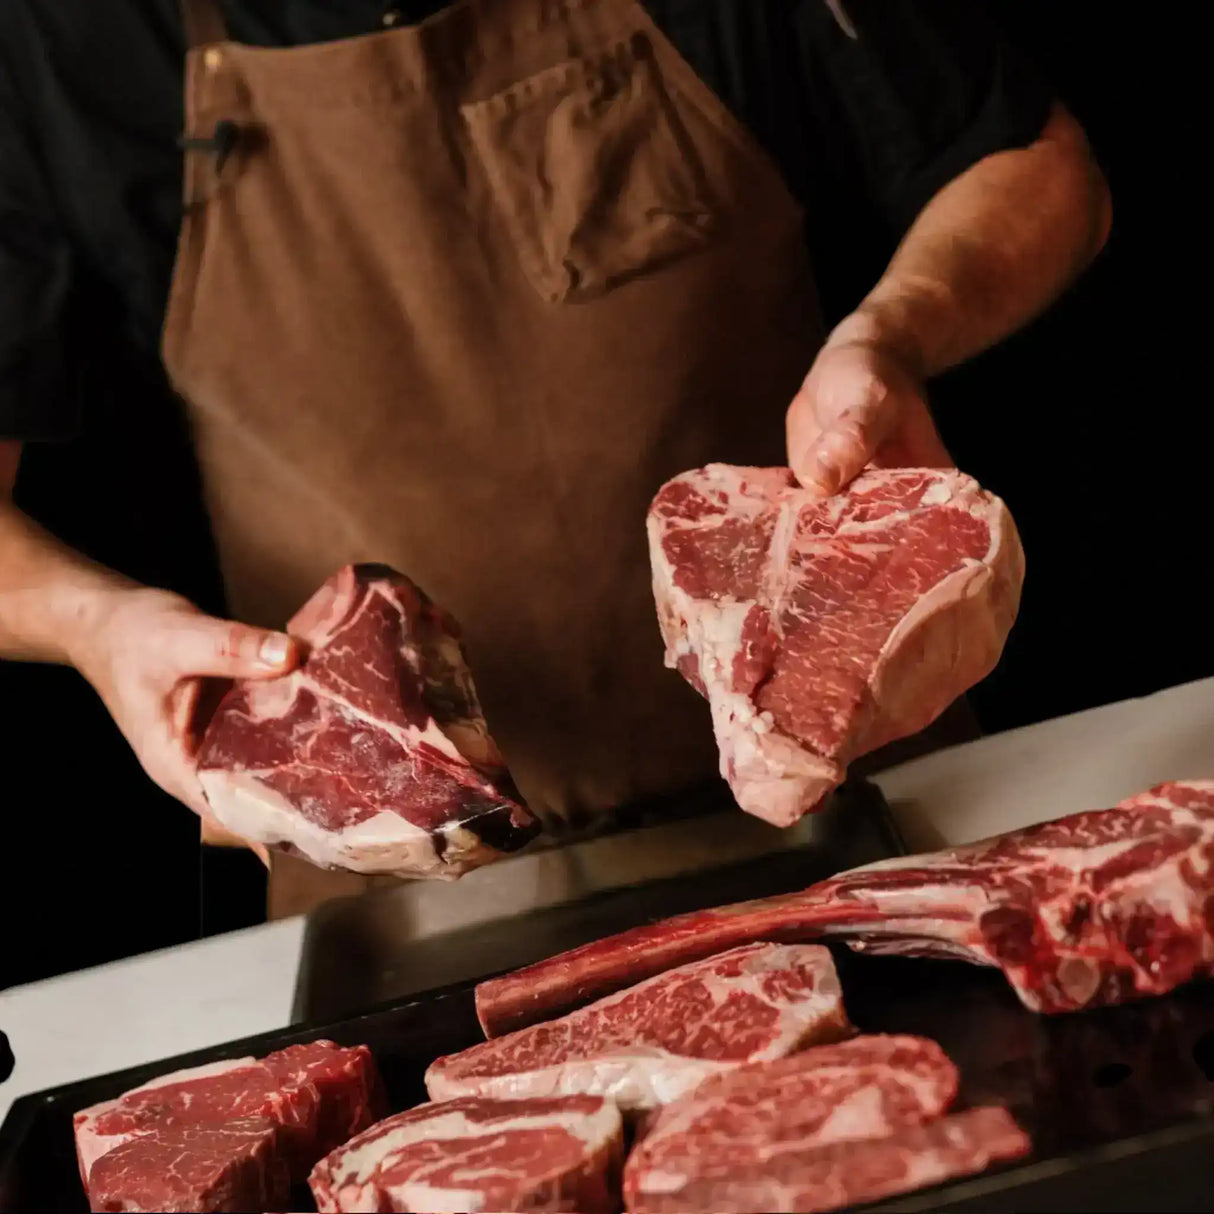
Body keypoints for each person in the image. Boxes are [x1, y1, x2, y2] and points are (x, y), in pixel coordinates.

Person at [0, 0, 1110, 925]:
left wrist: (894, 336)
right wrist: (94, 624)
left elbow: (1030, 163)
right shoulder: (64, 40)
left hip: (863, 798)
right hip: (401, 892)